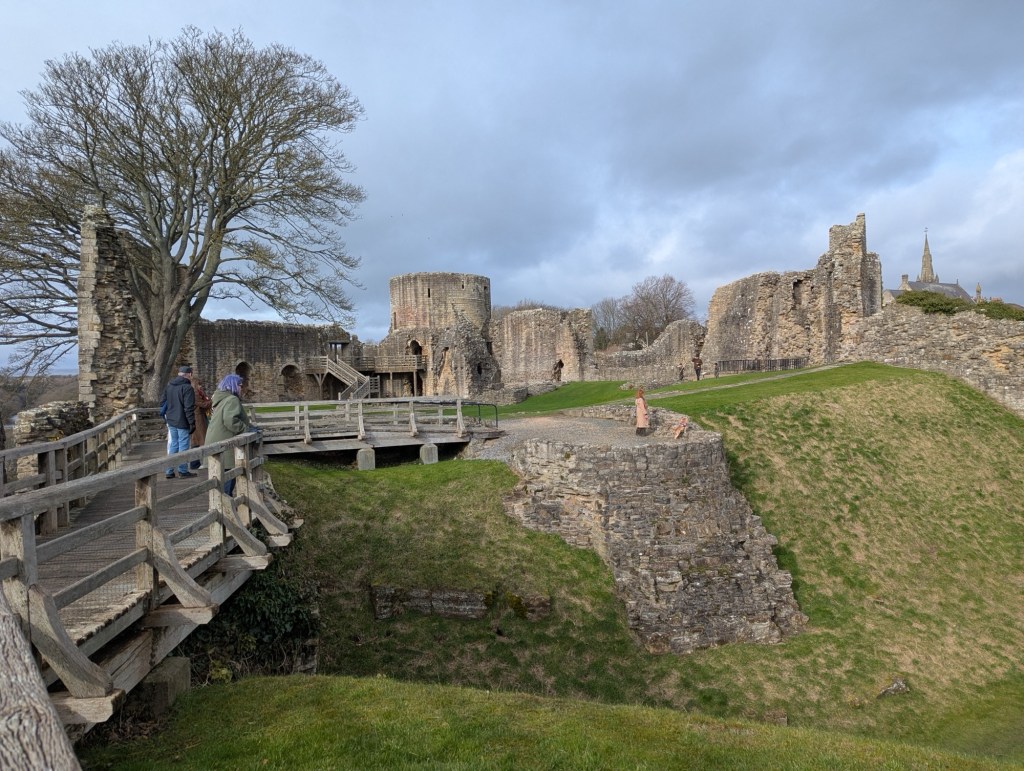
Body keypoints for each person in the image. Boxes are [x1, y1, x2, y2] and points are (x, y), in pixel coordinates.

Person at [205, 374, 255, 495]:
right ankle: (225, 510)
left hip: (216, 440)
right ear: (234, 385)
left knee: (220, 479)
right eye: (240, 385)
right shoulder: (232, 399)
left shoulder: (220, 398)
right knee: (227, 481)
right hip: (225, 441)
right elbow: (230, 421)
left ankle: (221, 507)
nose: (241, 388)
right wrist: (246, 429)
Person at [162, 365, 197, 479]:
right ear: (189, 374)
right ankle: (182, 470)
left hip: (171, 419)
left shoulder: (169, 386)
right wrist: (192, 422)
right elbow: (188, 407)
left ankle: (169, 470)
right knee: (183, 445)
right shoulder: (187, 388)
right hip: (182, 420)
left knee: (174, 445)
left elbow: (163, 402)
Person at [189, 376, 213, 470]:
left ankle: (196, 463)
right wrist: (212, 400)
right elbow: (202, 404)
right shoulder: (194, 393)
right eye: (199, 384)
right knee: (198, 441)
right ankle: (195, 463)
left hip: (200, 417)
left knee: (198, 441)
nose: (200, 386)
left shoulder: (198, 393)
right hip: (197, 418)